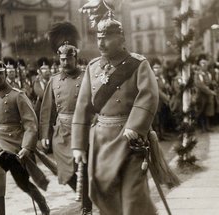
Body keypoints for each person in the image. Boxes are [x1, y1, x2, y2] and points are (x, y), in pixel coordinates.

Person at [71, 12, 159, 215]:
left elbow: (149, 96)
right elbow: (83, 107)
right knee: (103, 193)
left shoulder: (138, 64)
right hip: (101, 141)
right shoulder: (93, 68)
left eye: (107, 37)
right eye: (99, 37)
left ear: (121, 39)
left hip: (129, 140)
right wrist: (78, 145)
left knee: (133, 197)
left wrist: (135, 127)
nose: (101, 43)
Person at [0, 60, 50, 215]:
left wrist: (27, 147)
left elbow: (31, 124)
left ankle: (40, 201)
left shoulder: (17, 95)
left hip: (15, 144)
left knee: (22, 182)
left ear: (5, 73)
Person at [40, 21, 92, 215]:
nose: (65, 62)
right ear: (58, 59)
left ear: (75, 58)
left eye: (69, 59)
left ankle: (86, 205)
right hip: (61, 131)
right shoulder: (53, 81)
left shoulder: (86, 76)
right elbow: (47, 109)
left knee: (84, 168)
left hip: (83, 128)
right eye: (62, 59)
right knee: (64, 170)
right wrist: (44, 133)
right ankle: (83, 194)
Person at [194, 54, 217, 132]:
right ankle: (202, 127)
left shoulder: (208, 74)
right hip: (200, 95)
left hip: (207, 95)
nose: (204, 65)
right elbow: (200, 85)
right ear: (199, 65)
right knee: (201, 111)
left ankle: (207, 127)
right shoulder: (197, 74)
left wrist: (213, 83)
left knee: (207, 111)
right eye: (202, 63)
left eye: (205, 63)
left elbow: (209, 82)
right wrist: (210, 91)